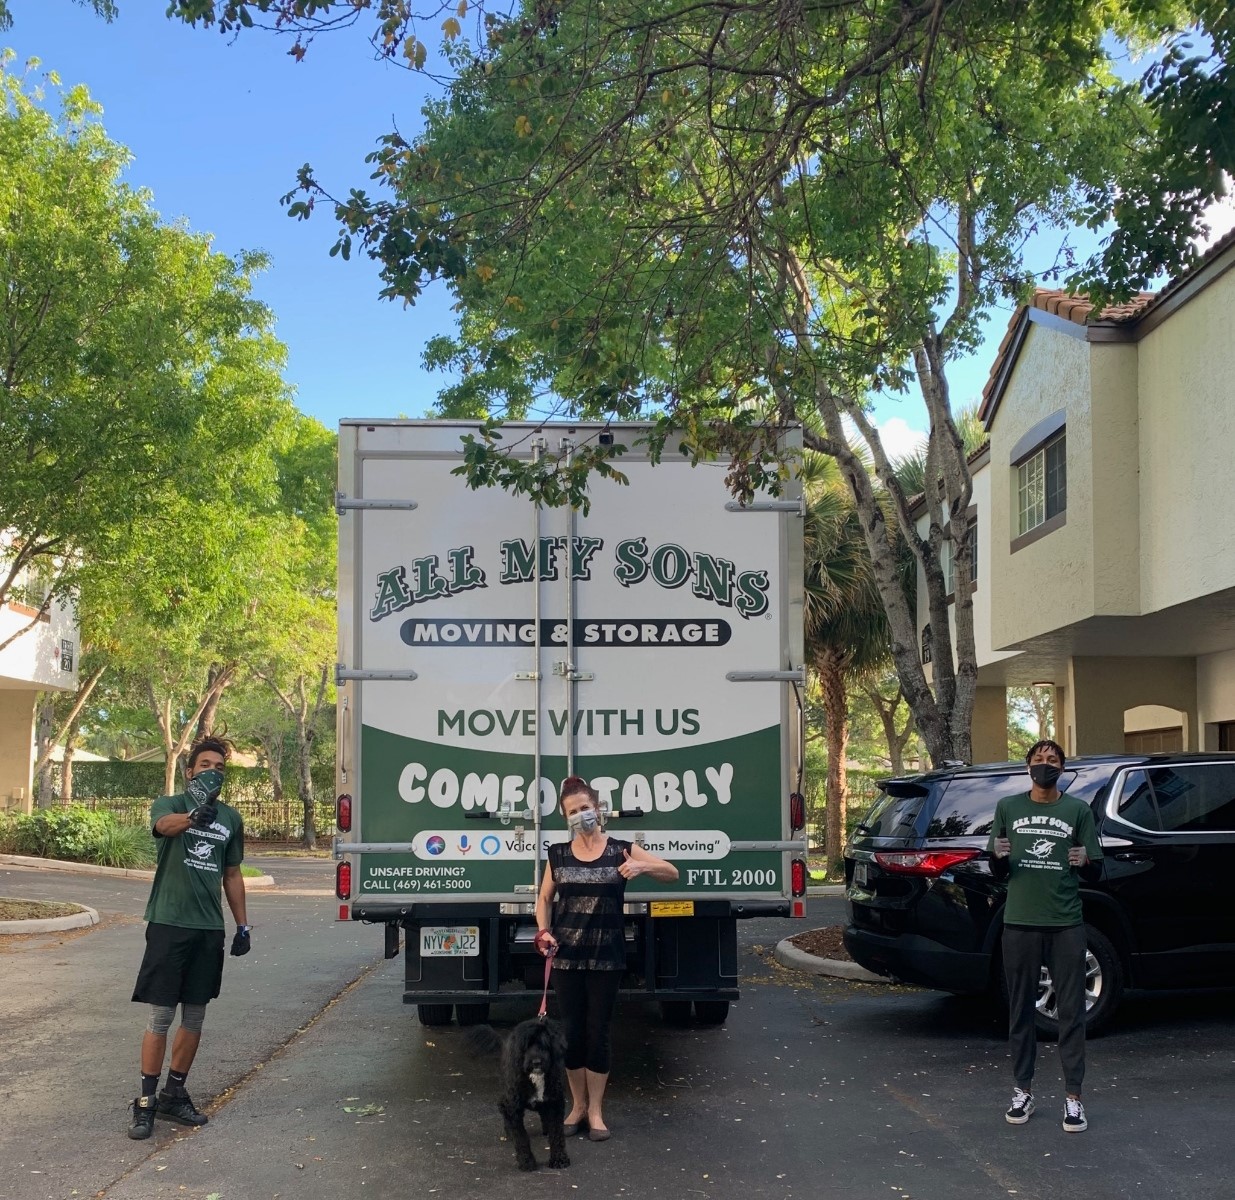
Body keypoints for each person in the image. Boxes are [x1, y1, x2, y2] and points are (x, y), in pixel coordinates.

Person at [534, 775, 678, 1142]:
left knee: (598, 1033)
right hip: (565, 959)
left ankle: (596, 1111)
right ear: (565, 817)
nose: (580, 815)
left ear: (598, 810)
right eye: (572, 811)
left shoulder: (621, 850)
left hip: (606, 959)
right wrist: (543, 930)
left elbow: (672, 873)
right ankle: (577, 1107)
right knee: (572, 1034)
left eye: (585, 808)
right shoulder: (558, 854)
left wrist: (642, 867)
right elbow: (544, 898)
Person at [127, 736, 251, 1140]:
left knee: (195, 1016)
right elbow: (163, 827)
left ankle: (174, 1095)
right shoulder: (170, 804)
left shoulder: (230, 818)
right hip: (169, 923)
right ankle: (145, 1103)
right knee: (161, 1016)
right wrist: (193, 816)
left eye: (219, 767)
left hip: (208, 928)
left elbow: (232, 874)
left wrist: (242, 925)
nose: (212, 771)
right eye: (205, 765)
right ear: (190, 770)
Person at [988, 739, 1102, 1133]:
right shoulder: (1008, 808)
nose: (1045, 765)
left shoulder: (1077, 810)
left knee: (1071, 1011)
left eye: (1052, 760)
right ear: (1028, 767)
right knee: (1021, 1010)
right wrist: (996, 856)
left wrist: (1084, 860)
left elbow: (1096, 870)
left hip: (1066, 923)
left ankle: (1074, 1097)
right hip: (1020, 923)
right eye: (1038, 759)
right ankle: (1022, 1090)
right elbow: (998, 871)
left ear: (1062, 769)